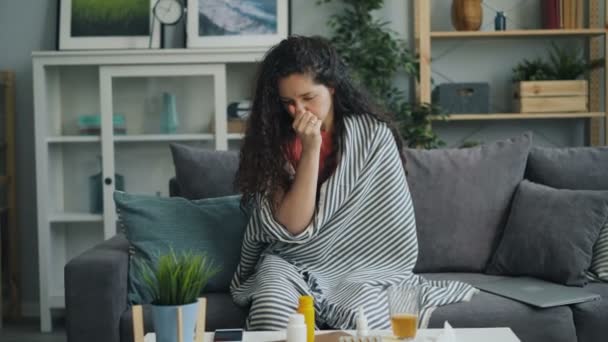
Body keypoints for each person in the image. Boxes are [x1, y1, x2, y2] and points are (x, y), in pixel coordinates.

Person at [230, 35, 476, 331]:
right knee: (272, 306)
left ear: (331, 88)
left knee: (366, 318)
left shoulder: (373, 137)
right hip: (289, 263)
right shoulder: (274, 141)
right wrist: (309, 150)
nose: (299, 112)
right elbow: (291, 227)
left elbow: (388, 233)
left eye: (308, 98)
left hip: (359, 269)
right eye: (288, 103)